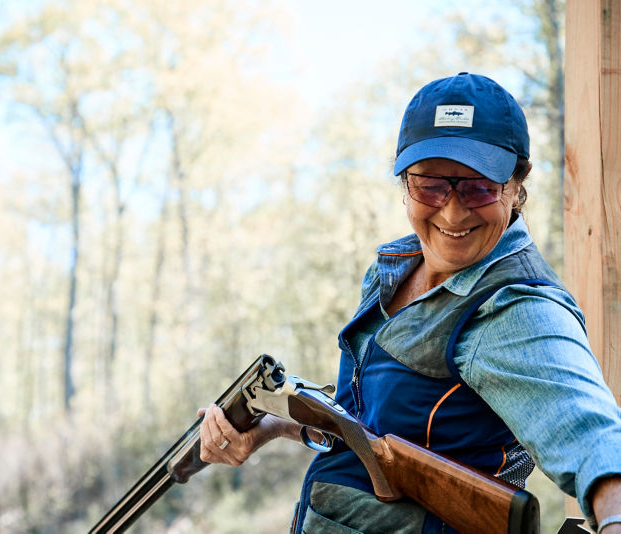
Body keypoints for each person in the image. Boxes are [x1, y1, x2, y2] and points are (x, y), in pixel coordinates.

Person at [198, 73, 621, 533]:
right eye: (430, 186)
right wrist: (274, 426)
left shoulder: (516, 308)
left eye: (480, 187)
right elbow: (367, 422)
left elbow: (595, 439)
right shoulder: (391, 270)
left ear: (517, 185)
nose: (452, 211)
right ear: (405, 184)